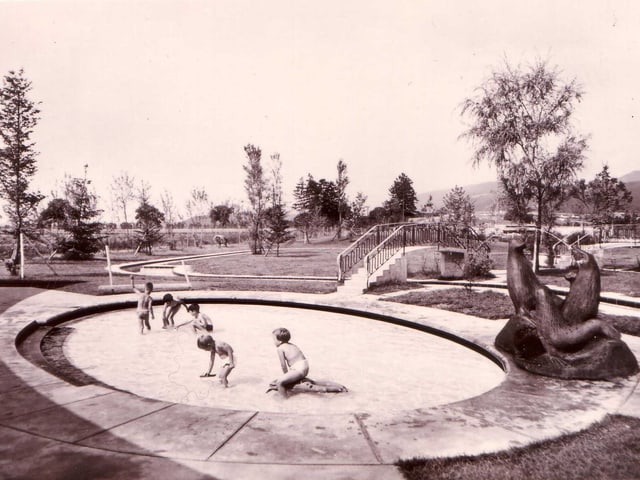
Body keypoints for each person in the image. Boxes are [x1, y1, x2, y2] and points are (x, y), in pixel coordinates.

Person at [270, 327, 309, 397]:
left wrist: (285, 376)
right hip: (305, 367)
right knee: (285, 379)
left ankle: (284, 401)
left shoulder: (280, 348)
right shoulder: (292, 345)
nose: (273, 342)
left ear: (280, 341)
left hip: (298, 369)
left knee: (279, 383)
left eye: (274, 339)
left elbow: (283, 365)